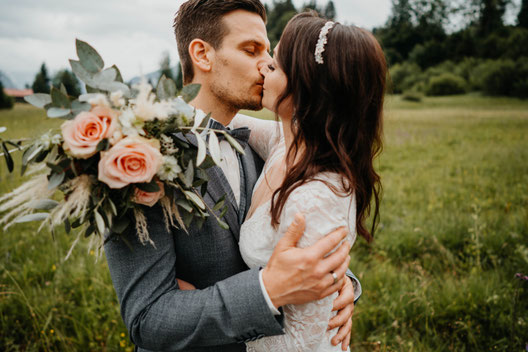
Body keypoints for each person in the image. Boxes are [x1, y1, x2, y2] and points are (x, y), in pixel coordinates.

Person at [104, 1, 360, 351]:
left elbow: (292, 235)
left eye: (269, 51)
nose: (267, 63)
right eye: (250, 49)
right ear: (203, 55)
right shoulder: (138, 161)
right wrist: (267, 291)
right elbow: (147, 317)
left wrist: (338, 281)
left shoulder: (265, 144)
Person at [230, 11, 386, 351]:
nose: (263, 67)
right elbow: (225, 120)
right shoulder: (288, 142)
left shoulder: (312, 199)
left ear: (305, 88)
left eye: (274, 66)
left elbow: (307, 339)